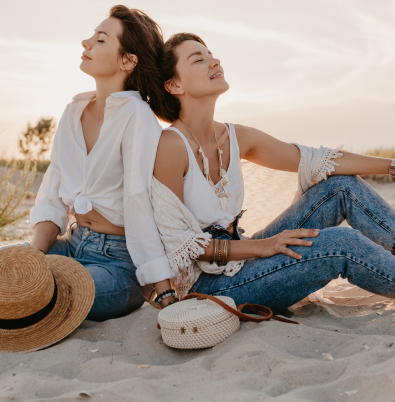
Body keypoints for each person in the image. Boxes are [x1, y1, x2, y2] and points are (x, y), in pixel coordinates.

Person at [0, 5, 174, 321]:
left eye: (101, 39)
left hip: (118, 266)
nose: (86, 42)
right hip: (69, 244)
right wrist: (30, 257)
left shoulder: (139, 118)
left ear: (128, 60)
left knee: (38, 289)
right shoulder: (73, 112)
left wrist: (164, 287)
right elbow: (52, 195)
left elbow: (138, 203)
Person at [150, 32, 395, 312]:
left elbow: (316, 160)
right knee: (343, 242)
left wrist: (390, 166)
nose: (213, 61)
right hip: (208, 285)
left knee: (339, 187)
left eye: (211, 54)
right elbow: (181, 245)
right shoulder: (171, 145)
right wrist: (263, 246)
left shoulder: (235, 136)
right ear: (174, 84)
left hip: (242, 256)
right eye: (198, 59)